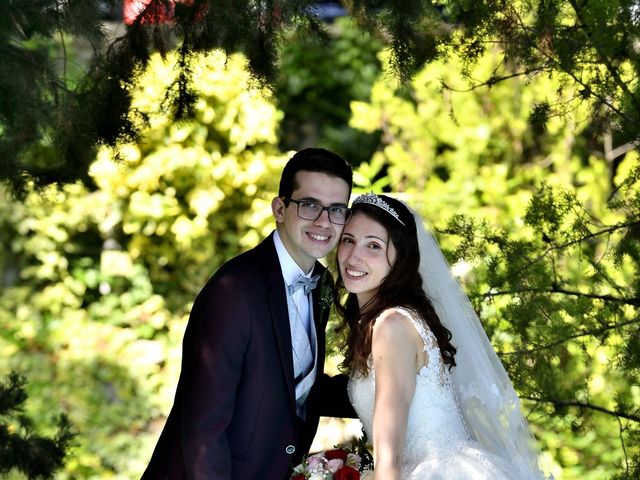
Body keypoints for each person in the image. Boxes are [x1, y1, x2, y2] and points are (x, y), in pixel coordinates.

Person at [142, 148, 356, 480]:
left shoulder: (322, 284)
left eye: (336, 210)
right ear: (280, 209)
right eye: (310, 205)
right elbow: (203, 428)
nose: (324, 222)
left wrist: (380, 393)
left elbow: (294, 384)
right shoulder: (234, 291)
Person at [336, 192, 547, 480]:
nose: (353, 255)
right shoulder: (394, 319)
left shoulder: (391, 325)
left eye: (373, 245)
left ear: (401, 258)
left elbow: (389, 456)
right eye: (348, 240)